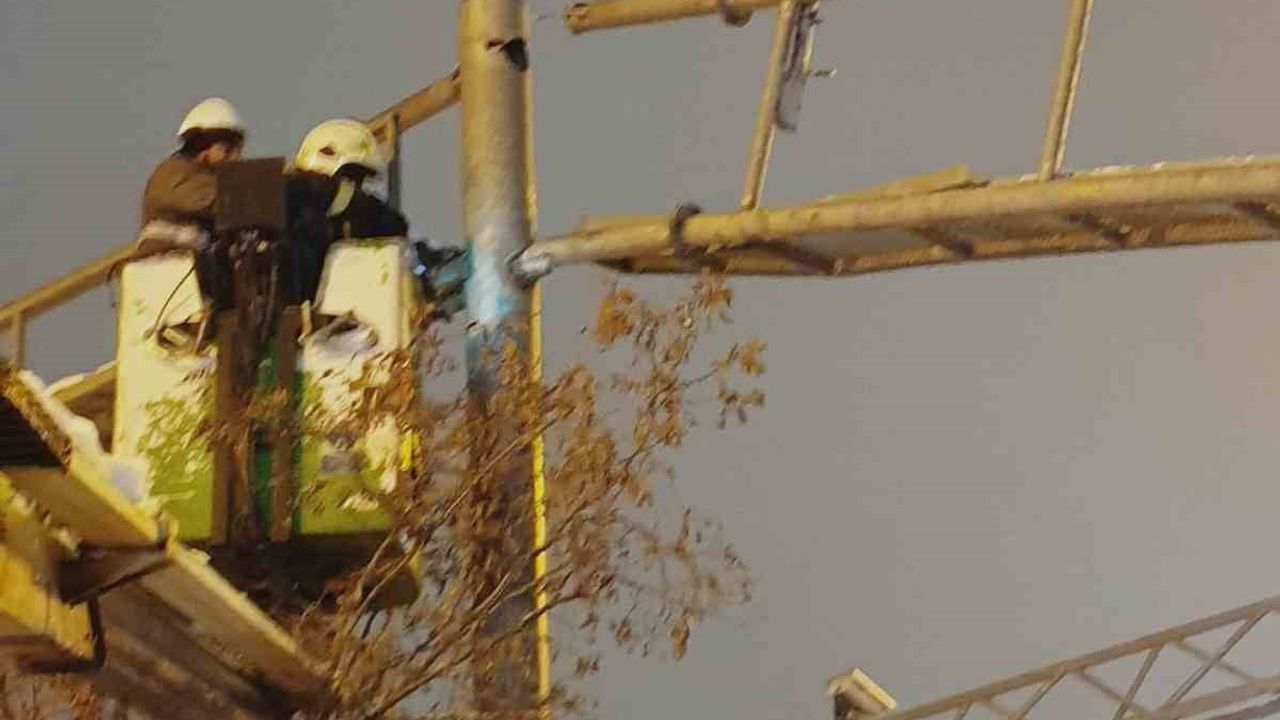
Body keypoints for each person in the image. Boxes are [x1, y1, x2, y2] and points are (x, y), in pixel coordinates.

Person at [137, 98, 247, 312]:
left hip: (197, 273)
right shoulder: (173, 175)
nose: (235, 158)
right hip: (171, 279)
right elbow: (217, 201)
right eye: (227, 150)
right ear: (203, 147)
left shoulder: (203, 177)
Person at [286, 118, 408, 306]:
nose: (355, 187)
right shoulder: (285, 206)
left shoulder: (362, 218)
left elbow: (392, 227)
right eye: (351, 177)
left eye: (359, 179)